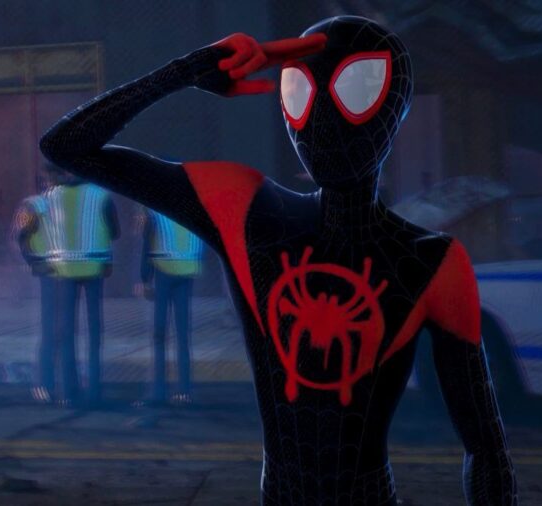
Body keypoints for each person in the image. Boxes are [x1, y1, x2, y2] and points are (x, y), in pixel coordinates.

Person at [41, 16, 516, 505]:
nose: (323, 119)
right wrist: (188, 69)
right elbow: (65, 147)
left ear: (396, 107)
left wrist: (181, 73)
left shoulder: (431, 261)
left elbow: (485, 446)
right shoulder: (246, 208)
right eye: (299, 90)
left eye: (358, 89)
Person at [24, 163, 119, 408]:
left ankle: (67, 392)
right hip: (94, 267)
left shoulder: (47, 199)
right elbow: (115, 232)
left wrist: (35, 262)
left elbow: (26, 234)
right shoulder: (102, 196)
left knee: (66, 333)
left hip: (62, 269)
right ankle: (94, 390)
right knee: (95, 332)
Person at [138, 209, 204, 405]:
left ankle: (158, 391)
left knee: (159, 335)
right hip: (186, 268)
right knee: (183, 335)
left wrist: (145, 278)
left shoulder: (154, 210)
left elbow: (148, 242)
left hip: (163, 270)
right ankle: (184, 391)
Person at [13, 170, 60, 404]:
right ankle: (47, 383)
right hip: (55, 272)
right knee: (53, 330)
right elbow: (21, 236)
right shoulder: (37, 205)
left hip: (56, 270)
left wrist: (33, 261)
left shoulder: (42, 205)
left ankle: (50, 384)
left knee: (54, 330)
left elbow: (21, 237)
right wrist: (33, 262)